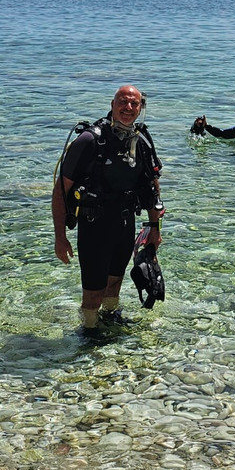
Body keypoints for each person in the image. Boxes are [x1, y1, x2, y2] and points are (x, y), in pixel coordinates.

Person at [51, 85, 164, 334]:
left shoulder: (141, 139)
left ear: (141, 108)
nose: (129, 108)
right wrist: (60, 237)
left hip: (124, 224)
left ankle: (111, 320)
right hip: (94, 226)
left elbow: (152, 188)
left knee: (115, 283)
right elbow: (60, 191)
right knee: (93, 292)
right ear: (112, 104)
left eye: (135, 104)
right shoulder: (90, 140)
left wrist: (155, 230)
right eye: (123, 102)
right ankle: (89, 333)